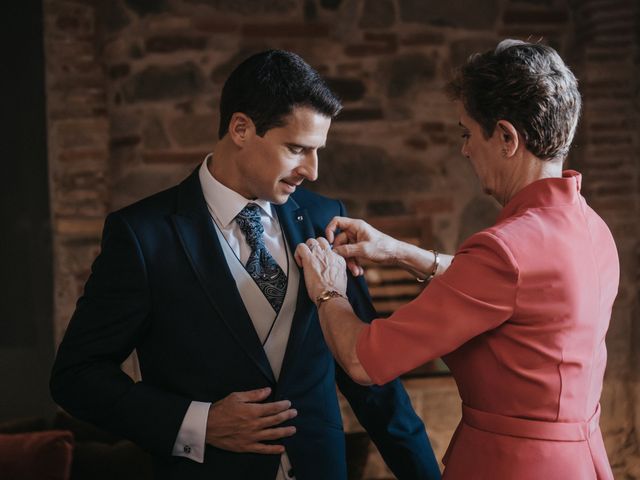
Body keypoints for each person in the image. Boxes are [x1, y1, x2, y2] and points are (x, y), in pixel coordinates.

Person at [50, 50, 441, 480]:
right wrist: (198, 423)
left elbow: (373, 383)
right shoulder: (143, 236)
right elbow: (76, 376)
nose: (312, 170)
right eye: (297, 149)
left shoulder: (323, 217)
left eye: (317, 151)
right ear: (241, 129)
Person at [295, 40, 618, 479]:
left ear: (506, 137)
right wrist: (399, 251)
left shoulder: (507, 249)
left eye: (467, 133)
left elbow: (360, 360)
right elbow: (518, 293)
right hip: (578, 463)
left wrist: (328, 287)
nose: (464, 150)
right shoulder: (592, 228)